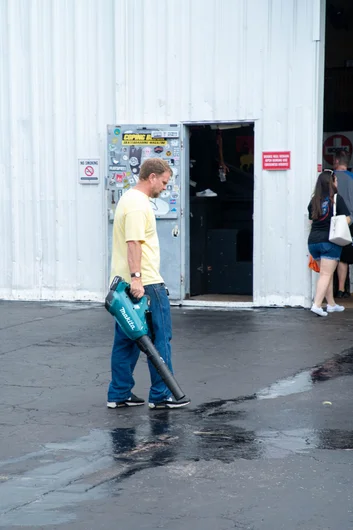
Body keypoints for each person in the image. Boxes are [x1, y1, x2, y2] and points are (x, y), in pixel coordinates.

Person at [107, 158, 190, 410]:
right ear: (151, 177)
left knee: (127, 340)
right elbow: (133, 243)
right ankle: (162, 395)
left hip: (126, 284)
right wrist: (137, 279)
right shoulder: (136, 205)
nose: (165, 187)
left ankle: (118, 394)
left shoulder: (130, 200)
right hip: (145, 284)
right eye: (164, 181)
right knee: (160, 338)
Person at [308, 170, 351, 317]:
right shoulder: (336, 199)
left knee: (326, 273)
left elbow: (311, 219)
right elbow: (347, 219)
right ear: (331, 182)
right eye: (335, 180)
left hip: (313, 242)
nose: (337, 183)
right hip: (329, 242)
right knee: (326, 274)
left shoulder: (314, 200)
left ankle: (331, 304)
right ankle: (317, 304)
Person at [333, 150, 353, 298]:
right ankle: (341, 289)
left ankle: (331, 289)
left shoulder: (329, 177)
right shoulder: (351, 178)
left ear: (337, 161)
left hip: (331, 221)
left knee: (330, 255)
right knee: (345, 257)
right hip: (348, 221)